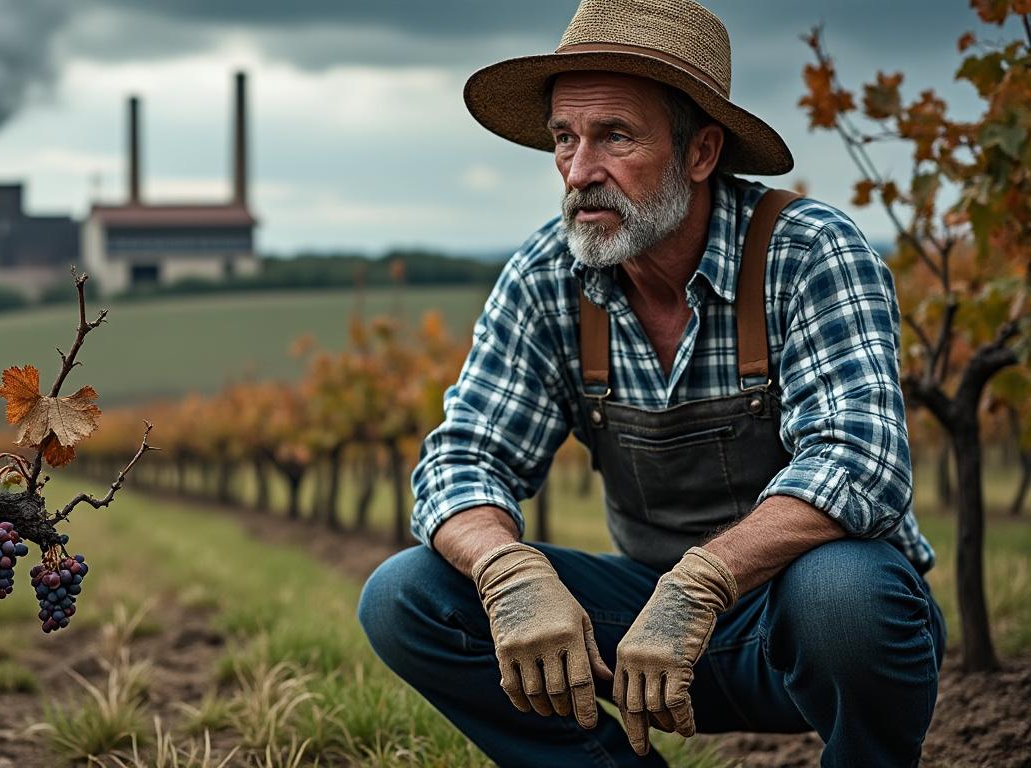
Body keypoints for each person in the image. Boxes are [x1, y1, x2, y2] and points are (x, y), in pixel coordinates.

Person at [356, 0, 945, 766]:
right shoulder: (545, 278)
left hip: (796, 631)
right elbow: (461, 460)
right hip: (639, 634)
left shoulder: (808, 252)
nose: (578, 171)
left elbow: (862, 460)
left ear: (701, 152)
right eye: (564, 138)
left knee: (845, 594)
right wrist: (509, 574)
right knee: (408, 596)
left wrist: (700, 583)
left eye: (615, 137)